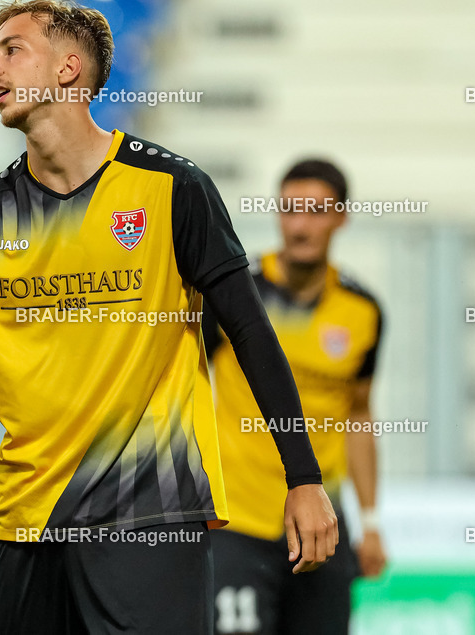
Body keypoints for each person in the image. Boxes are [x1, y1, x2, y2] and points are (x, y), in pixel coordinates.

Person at [0, 0, 337, 634]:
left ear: (68, 68)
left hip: (149, 510)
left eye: (11, 50)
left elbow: (251, 334)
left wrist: (302, 478)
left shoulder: (172, 188)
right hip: (26, 519)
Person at [204, 159, 387, 635]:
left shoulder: (362, 311)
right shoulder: (235, 291)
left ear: (341, 217)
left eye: (315, 211)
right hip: (238, 522)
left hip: (321, 527)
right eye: (289, 210)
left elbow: (359, 416)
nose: (299, 226)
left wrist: (370, 521)